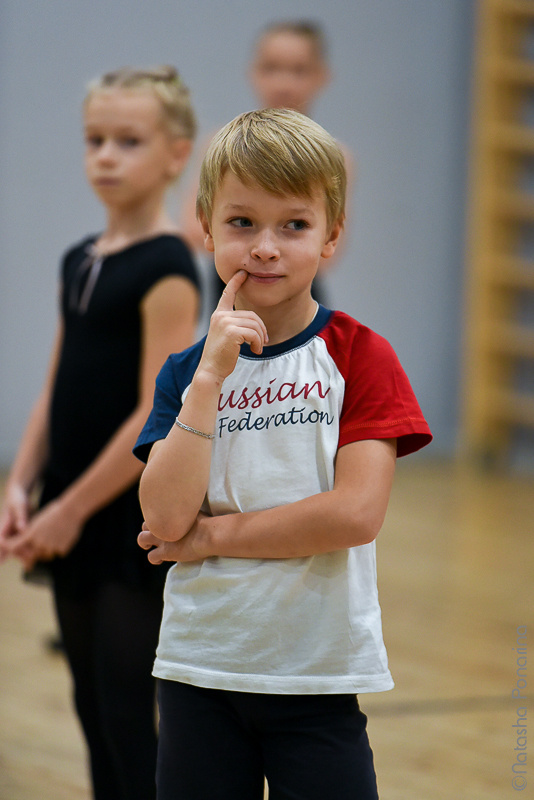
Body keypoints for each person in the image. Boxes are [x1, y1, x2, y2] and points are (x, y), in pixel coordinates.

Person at [134, 108, 432, 800]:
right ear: (205, 227)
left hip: (316, 674)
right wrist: (209, 381)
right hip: (198, 670)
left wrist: (212, 538)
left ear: (332, 236)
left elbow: (355, 514)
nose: (265, 247)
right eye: (242, 223)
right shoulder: (186, 371)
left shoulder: (361, 355)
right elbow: (163, 516)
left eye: (293, 225)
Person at [0, 66, 200, 800]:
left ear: (176, 154)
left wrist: (73, 508)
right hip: (69, 504)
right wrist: (20, 486)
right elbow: (55, 391)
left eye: (128, 140)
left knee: (124, 712)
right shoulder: (79, 258)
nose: (106, 156)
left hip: (122, 518)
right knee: (88, 706)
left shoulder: (170, 268)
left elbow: (158, 412)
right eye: (95, 140)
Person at [180, 20, 352, 321]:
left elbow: (332, 250)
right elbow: (193, 227)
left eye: (299, 70)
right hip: (233, 290)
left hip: (298, 297)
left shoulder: (336, 156)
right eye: (271, 68)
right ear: (253, 73)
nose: (284, 83)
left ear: (322, 77)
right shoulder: (217, 146)